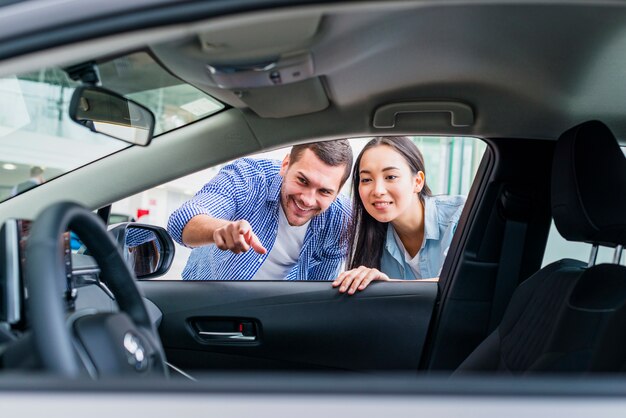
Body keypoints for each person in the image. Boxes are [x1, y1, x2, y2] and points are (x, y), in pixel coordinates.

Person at [167, 140, 353, 281]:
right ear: (286, 164)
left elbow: (318, 292)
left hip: (274, 317)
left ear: (337, 192)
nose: (307, 199)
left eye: (324, 191)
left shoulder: (341, 219)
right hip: (208, 302)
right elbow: (181, 221)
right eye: (302, 181)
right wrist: (219, 229)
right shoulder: (247, 177)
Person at [332, 137, 465, 294]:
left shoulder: (461, 216)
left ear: (417, 181)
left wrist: (387, 286)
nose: (378, 190)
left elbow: (463, 285)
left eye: (391, 177)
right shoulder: (369, 238)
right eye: (366, 179)